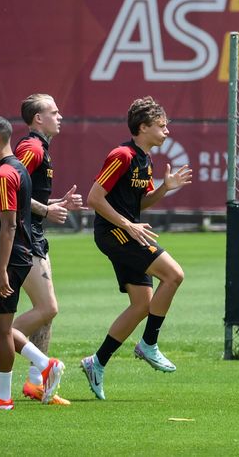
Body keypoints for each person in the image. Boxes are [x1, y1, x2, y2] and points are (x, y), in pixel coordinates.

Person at [81, 96, 192, 401]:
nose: (166, 130)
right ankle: (149, 344)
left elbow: (140, 203)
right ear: (142, 127)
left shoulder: (145, 159)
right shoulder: (122, 155)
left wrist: (165, 188)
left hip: (129, 232)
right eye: (161, 125)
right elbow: (94, 198)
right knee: (173, 275)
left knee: (142, 305)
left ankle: (97, 362)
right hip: (115, 233)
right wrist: (128, 225)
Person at [0, 94, 81, 404]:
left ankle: (35, 382)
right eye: (54, 111)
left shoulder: (40, 148)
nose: (60, 116)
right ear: (38, 118)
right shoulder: (30, 148)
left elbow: (21, 196)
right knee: (46, 309)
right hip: (26, 240)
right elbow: (14, 192)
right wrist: (47, 211)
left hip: (32, 237)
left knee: (45, 316)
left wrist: (54, 204)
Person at [0, 116, 64, 410]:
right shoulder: (17, 170)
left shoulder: (5, 174)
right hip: (8, 256)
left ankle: (3, 396)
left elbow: (9, 225)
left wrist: (1, 270)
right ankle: (43, 365)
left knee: (0, 328)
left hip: (11, 258)